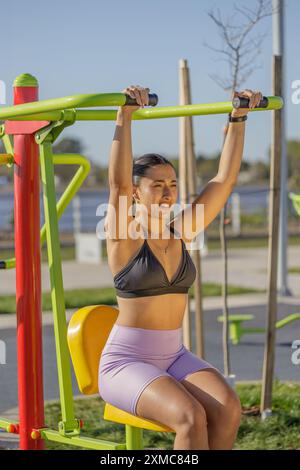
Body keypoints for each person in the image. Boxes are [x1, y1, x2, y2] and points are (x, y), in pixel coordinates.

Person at [99, 85, 263, 450]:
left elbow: (223, 181)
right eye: (157, 185)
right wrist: (124, 116)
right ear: (138, 193)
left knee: (228, 409)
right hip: (126, 363)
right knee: (190, 416)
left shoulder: (181, 232)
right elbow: (117, 184)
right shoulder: (124, 237)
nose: (169, 192)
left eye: (173, 183)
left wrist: (238, 118)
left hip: (173, 355)